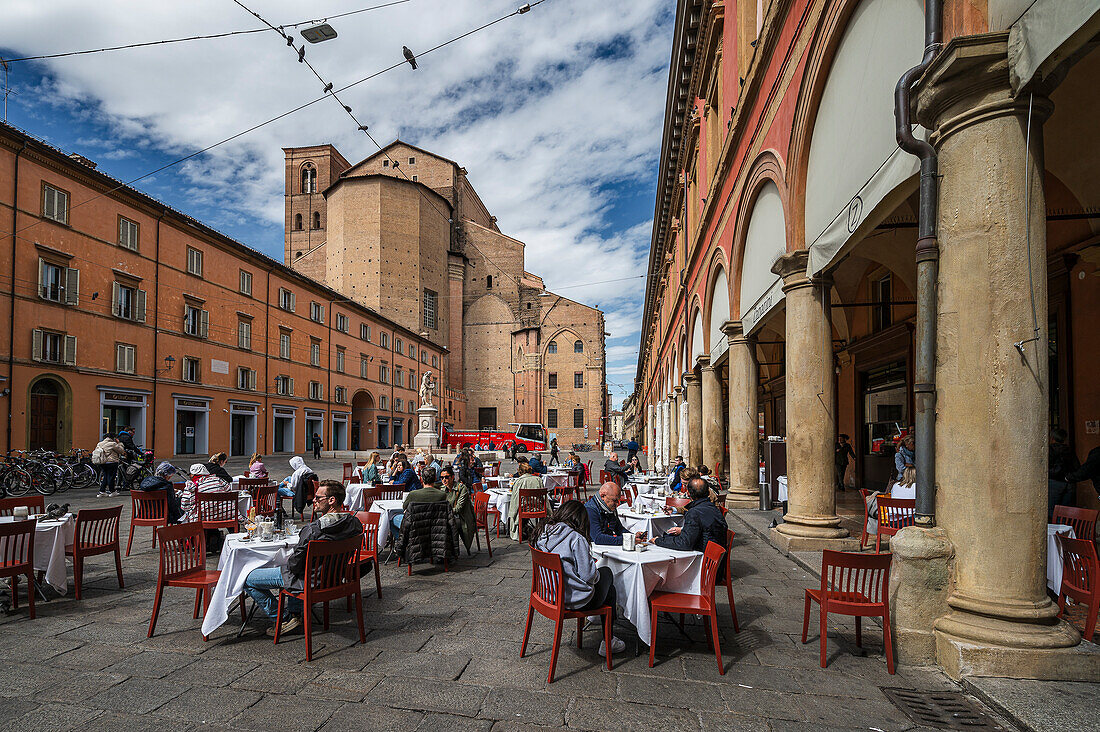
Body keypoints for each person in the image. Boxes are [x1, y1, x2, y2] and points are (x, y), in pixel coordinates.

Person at [243, 480, 362, 636]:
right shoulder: (355, 524)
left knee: (246, 578)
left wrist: (284, 564)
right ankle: (295, 613)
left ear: (331, 500)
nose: (313, 500)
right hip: (332, 578)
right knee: (300, 567)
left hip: (309, 581)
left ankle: (283, 619)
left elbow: (295, 564)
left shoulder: (313, 530)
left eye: (318, 498)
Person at [532, 499, 626, 657]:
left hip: (548, 594)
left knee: (605, 581)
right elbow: (588, 575)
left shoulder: (545, 532)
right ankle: (608, 640)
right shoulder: (576, 538)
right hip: (571, 599)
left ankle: (601, 626)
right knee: (607, 575)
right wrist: (595, 571)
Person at [654, 478, 728, 555]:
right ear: (708, 492)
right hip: (715, 554)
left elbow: (685, 543)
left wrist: (658, 541)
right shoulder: (713, 508)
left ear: (688, 493)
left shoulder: (694, 512)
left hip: (704, 556)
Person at [393, 467, 448, 537]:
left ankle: (403, 541)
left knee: (393, 519)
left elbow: (404, 507)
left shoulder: (413, 494)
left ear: (421, 479)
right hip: (435, 525)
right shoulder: (442, 495)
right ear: (435, 479)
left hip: (416, 525)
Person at [584, 482, 639, 546]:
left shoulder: (609, 507)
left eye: (618, 500)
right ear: (603, 496)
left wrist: (632, 536)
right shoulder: (590, 510)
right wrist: (626, 539)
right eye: (614, 500)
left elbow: (619, 529)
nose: (617, 504)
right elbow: (598, 538)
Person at [441, 466, 475, 553]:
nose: (444, 480)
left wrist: (445, 512)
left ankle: (452, 551)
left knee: (449, 525)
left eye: (446, 477)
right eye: (442, 478)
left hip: (462, 517)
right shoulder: (442, 490)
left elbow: (459, 508)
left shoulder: (461, 488)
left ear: (452, 477)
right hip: (448, 516)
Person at [1048, 429, 1080, 521]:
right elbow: (1077, 466)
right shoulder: (1069, 450)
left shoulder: (1050, 450)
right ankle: (1066, 529)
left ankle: (1058, 530)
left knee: (1052, 509)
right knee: (1067, 510)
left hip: (1054, 482)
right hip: (1069, 482)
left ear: (1052, 438)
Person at [508, 461, 545, 541]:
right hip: (538, 508)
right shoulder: (538, 480)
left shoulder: (519, 481)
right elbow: (543, 497)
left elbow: (515, 499)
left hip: (524, 509)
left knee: (515, 509)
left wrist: (512, 513)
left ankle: (519, 531)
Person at [94, 433, 127, 497]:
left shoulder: (100, 444)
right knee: (111, 477)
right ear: (113, 438)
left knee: (106, 476)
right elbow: (121, 451)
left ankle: (102, 491)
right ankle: (112, 491)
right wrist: (120, 443)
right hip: (112, 462)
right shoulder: (113, 444)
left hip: (102, 462)